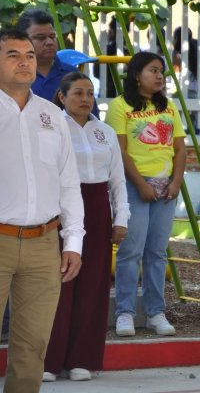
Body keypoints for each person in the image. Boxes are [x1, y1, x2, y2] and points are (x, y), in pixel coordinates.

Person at [0, 28, 84, 391]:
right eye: (13, 55)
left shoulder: (52, 116)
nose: (25, 62)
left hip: (43, 244)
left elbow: (69, 183)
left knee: (32, 347)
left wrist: (73, 243)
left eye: (30, 55)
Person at [42, 72, 129, 382]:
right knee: (58, 284)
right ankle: (48, 362)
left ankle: (82, 359)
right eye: (77, 93)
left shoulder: (104, 131)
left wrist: (121, 218)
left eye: (90, 93)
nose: (85, 98)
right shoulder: (52, 130)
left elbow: (117, 180)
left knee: (93, 286)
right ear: (62, 97)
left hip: (98, 210)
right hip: (60, 210)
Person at [105, 51, 186, 338]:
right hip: (134, 185)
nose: (160, 76)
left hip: (166, 189)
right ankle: (125, 313)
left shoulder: (169, 107)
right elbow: (120, 151)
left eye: (161, 71)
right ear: (137, 75)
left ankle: (155, 313)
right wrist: (140, 184)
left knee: (156, 252)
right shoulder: (120, 106)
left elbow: (179, 149)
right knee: (130, 251)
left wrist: (176, 182)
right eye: (153, 70)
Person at [16, 9, 100, 116]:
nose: (49, 42)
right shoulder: (10, 76)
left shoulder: (73, 75)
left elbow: (91, 120)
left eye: (52, 36)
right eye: (40, 38)